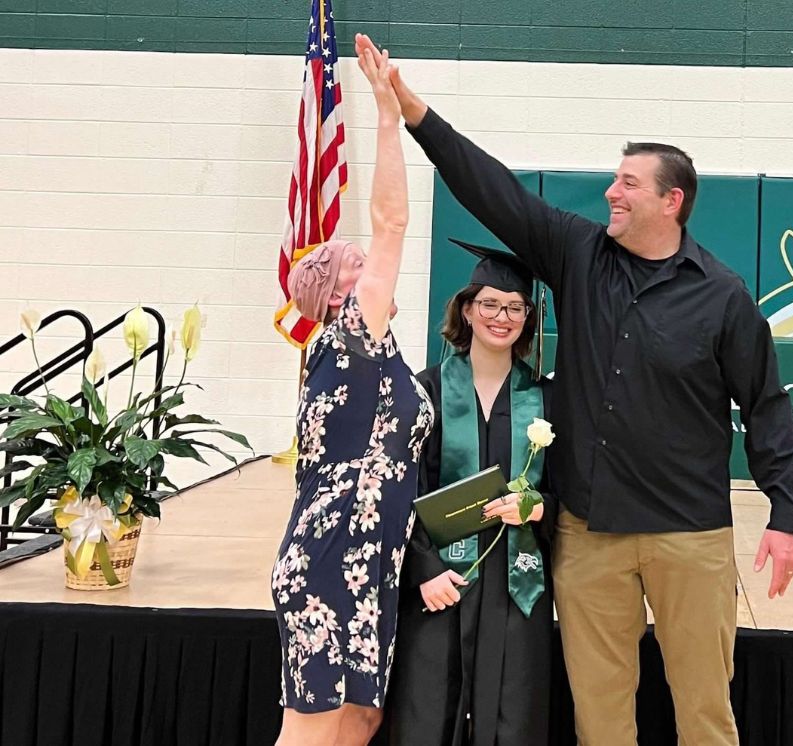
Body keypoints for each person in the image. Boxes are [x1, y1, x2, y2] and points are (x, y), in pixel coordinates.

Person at [357, 34, 793, 745]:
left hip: (689, 538)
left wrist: (786, 513)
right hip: (588, 537)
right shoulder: (578, 252)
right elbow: (492, 189)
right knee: (600, 719)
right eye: (614, 180)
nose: (610, 192)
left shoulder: (723, 297)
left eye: (628, 183)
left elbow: (767, 405)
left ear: (672, 199)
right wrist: (413, 111)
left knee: (705, 715)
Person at [269, 40, 435, 746]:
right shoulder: (349, 337)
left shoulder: (375, 353)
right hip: (331, 555)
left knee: (360, 722)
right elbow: (392, 221)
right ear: (340, 291)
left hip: (374, 559)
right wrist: (388, 116)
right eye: (361, 269)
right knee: (312, 733)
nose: (377, 272)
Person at [387, 239, 556, 746]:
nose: (501, 317)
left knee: (514, 717)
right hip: (440, 582)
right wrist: (424, 569)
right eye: (489, 303)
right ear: (466, 308)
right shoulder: (427, 391)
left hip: (516, 583)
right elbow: (398, 493)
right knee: (427, 711)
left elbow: (570, 489)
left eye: (514, 307)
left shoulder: (548, 398)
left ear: (527, 317)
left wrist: (539, 505)